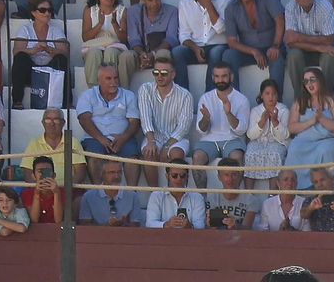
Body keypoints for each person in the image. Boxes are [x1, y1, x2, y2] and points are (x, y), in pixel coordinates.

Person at [136, 49, 195, 185]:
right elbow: (145, 118)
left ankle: (176, 193)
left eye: (163, 73)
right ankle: (154, 194)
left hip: (176, 138)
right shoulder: (145, 89)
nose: (159, 76)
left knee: (176, 154)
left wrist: (168, 146)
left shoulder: (185, 95)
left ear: (173, 75)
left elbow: (183, 127)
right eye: (156, 73)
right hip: (154, 136)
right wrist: (151, 141)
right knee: (148, 153)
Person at [77, 64, 143, 185]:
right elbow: (84, 120)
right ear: (99, 80)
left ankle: (131, 195)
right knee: (94, 158)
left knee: (132, 159)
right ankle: (99, 195)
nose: (113, 82)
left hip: (123, 138)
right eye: (108, 78)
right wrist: (101, 138)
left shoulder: (128, 96)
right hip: (95, 138)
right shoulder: (87, 95)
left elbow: (135, 122)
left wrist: (123, 138)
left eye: (115, 78)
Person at [176, 0, 239, 90]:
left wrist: (208, 3)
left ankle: (209, 95)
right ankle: (182, 95)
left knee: (215, 53)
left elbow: (221, 29)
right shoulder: (185, 2)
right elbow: (183, 34)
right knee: (177, 52)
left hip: (218, 44)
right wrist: (194, 48)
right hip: (196, 45)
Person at [284, 0, 334, 102]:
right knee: (293, 55)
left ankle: (325, 98)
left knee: (329, 55)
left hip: (328, 48)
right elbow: (291, 42)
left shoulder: (325, 6)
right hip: (307, 50)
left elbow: (329, 40)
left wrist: (299, 37)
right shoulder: (290, 7)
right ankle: (300, 99)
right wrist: (318, 46)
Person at [224, 0, 288, 88]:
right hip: (248, 51)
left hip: (272, 46)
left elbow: (280, 19)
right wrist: (253, 51)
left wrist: (276, 45)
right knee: (229, 55)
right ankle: (233, 99)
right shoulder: (230, 8)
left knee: (277, 58)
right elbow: (232, 42)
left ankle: (276, 101)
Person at [192, 62, 250, 177]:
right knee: (197, 157)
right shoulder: (205, 98)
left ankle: (235, 193)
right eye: (217, 76)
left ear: (231, 77)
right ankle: (201, 195)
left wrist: (228, 114)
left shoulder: (242, 100)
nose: (220, 80)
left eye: (224, 76)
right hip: (209, 140)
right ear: (213, 78)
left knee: (237, 157)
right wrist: (206, 119)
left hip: (233, 140)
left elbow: (241, 130)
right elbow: (201, 130)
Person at [286, 66, 334, 167]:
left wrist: (321, 118)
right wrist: (310, 122)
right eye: (306, 81)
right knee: (294, 148)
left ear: (320, 80)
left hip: (327, 141)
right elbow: (291, 128)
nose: (309, 84)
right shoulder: (299, 102)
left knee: (325, 149)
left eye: (312, 80)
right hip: (303, 142)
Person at [127, 0, 181, 86]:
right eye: (150, 0)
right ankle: (122, 93)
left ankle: (167, 90)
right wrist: (142, 54)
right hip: (141, 53)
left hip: (159, 52)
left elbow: (171, 38)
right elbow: (133, 38)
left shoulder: (172, 11)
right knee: (126, 56)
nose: (155, 3)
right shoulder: (133, 12)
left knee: (163, 54)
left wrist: (153, 54)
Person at [81, 0, 131, 89]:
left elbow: (124, 40)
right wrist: (99, 24)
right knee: (94, 52)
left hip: (115, 47)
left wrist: (114, 23)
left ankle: (110, 87)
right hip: (94, 46)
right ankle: (94, 89)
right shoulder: (89, 10)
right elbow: (85, 37)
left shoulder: (122, 11)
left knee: (111, 52)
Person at [21, 108, 87, 187]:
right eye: (48, 120)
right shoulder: (34, 143)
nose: (52, 123)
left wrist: (67, 190)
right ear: (43, 123)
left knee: (79, 199)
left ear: (63, 123)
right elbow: (27, 172)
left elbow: (80, 172)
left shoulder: (73, 142)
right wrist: (39, 189)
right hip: (41, 189)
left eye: (56, 120)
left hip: (68, 190)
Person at [243, 78, 291, 185]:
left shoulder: (284, 111)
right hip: (258, 141)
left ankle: (272, 194)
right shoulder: (255, 111)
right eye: (267, 93)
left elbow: (285, 136)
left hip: (277, 142)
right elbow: (250, 135)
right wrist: (262, 122)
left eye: (274, 94)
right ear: (262, 95)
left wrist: (275, 121)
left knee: (275, 154)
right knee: (250, 154)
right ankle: (248, 193)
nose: (270, 97)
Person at [78, 159, 146, 224]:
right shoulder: (89, 197)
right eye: (112, 172)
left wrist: (121, 225)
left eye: (119, 172)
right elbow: (84, 225)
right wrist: (107, 226)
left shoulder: (132, 196)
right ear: (102, 174)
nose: (116, 176)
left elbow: (136, 226)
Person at [146, 160, 208, 226]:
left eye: (182, 175)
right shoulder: (156, 196)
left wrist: (190, 226)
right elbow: (150, 223)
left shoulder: (197, 197)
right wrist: (166, 225)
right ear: (167, 176)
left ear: (187, 177)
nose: (178, 179)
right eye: (174, 175)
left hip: (189, 236)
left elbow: (200, 224)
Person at [206, 158, 259, 228]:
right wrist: (210, 225)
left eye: (234, 174)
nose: (230, 179)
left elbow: (247, 229)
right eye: (226, 175)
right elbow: (210, 231)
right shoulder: (212, 198)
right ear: (219, 177)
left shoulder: (251, 199)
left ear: (239, 176)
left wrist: (235, 226)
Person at [20, 156, 64, 223]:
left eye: (47, 171)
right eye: (40, 171)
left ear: (54, 175)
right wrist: (37, 193)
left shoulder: (62, 191)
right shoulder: (27, 193)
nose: (43, 174)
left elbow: (58, 220)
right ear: (33, 176)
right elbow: (34, 220)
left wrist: (56, 193)